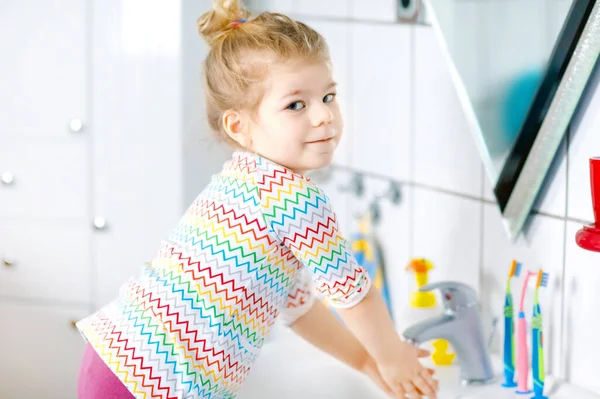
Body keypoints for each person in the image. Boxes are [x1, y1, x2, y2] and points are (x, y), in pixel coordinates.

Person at [75, 1, 439, 398]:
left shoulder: (247, 180)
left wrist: (367, 361)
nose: (324, 116)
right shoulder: (295, 199)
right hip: (156, 378)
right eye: (296, 105)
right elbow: (353, 294)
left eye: (329, 96)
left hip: (118, 358)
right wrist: (392, 356)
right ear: (240, 126)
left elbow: (298, 308)